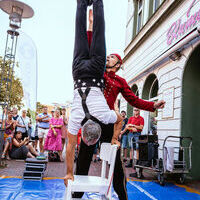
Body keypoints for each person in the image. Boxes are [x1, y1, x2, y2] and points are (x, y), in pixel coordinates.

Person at [73, 8, 166, 200]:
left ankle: (122, 196)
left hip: (107, 123)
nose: (107, 57)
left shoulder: (121, 81)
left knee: (114, 162)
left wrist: (153, 106)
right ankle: (76, 196)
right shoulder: (97, 71)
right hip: (90, 121)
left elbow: (134, 100)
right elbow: (90, 48)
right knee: (83, 160)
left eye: (111, 57)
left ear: (117, 64)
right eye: (107, 56)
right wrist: (90, 26)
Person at [64, 0, 123, 189]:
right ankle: (82, 3)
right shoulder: (75, 119)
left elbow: (120, 118)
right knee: (78, 32)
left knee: (99, 32)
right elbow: (70, 147)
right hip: (79, 72)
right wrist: (69, 173)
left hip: (96, 71)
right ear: (85, 131)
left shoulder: (104, 116)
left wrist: (114, 137)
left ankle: (97, 2)